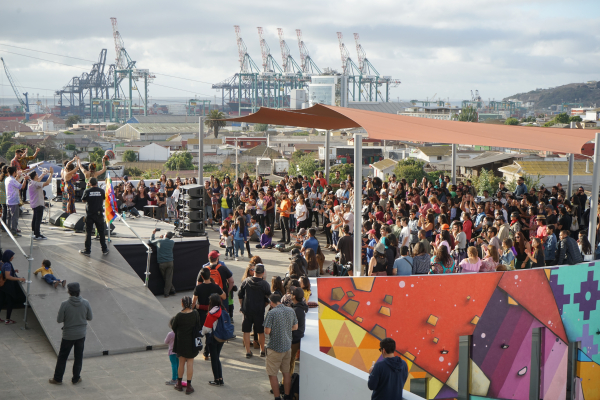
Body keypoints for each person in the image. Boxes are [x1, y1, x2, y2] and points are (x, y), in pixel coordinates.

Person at [49, 282, 93, 385]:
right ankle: (76, 378)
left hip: (68, 335)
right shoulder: (86, 303)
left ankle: (58, 379)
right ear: (79, 291)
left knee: (62, 357)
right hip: (81, 334)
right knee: (78, 356)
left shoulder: (65, 304)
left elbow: (59, 320)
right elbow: (90, 317)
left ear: (69, 292)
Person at [263, 293, 298, 400]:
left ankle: (277, 397)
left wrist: (277, 329)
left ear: (271, 302)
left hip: (274, 348)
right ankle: (287, 396)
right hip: (287, 347)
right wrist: (285, 329)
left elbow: (267, 331)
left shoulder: (272, 313)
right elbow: (295, 327)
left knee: (272, 374)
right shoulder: (291, 310)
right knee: (286, 373)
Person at [238, 263, 271, 358]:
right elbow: (269, 298)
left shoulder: (246, 281)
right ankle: (262, 350)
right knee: (260, 331)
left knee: (246, 331)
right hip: (259, 311)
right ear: (263, 273)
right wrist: (264, 305)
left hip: (247, 311)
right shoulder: (265, 284)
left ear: (254, 272)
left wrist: (242, 306)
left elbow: (240, 295)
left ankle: (248, 352)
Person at [172, 296, 200, 394]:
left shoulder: (179, 315)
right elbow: (198, 326)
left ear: (182, 303)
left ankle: (179, 383)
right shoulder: (195, 314)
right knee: (190, 364)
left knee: (181, 363)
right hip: (192, 343)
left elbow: (174, 327)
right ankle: (188, 386)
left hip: (181, 342)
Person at [202, 293, 227, 386]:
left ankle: (216, 379)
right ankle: (220, 379)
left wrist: (200, 333)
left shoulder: (211, 313)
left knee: (214, 358)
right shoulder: (223, 310)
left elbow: (206, 328)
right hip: (222, 337)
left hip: (213, 338)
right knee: (217, 357)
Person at [78, 178, 108, 256]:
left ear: (90, 183)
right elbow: (104, 199)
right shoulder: (101, 191)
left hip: (90, 214)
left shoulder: (87, 191)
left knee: (88, 232)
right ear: (97, 183)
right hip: (99, 214)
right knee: (101, 232)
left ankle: (87, 250)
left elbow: (83, 200)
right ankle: (104, 249)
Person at [0, 250, 26, 324]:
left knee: (1, 301)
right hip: (8, 286)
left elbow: (3, 271)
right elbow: (8, 277)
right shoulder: (8, 264)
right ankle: (8, 320)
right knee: (10, 302)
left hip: (1, 285)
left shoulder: (1, 262)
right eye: (12, 256)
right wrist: (19, 278)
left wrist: (13, 271)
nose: (13, 257)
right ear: (8, 257)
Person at [150, 228, 176, 298]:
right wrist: (164, 237)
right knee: (168, 278)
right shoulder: (172, 242)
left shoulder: (159, 241)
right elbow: (167, 241)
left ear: (165, 235)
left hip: (162, 263)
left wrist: (153, 233)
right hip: (170, 262)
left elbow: (151, 241)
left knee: (166, 278)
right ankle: (172, 289)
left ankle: (166, 293)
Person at [28, 168, 53, 240]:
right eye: (37, 175)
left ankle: (34, 233)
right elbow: (47, 183)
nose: (38, 176)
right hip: (38, 203)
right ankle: (37, 234)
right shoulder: (35, 183)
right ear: (35, 176)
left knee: (35, 218)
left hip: (34, 203)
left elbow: (38, 180)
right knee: (38, 219)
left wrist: (43, 174)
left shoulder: (32, 182)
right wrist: (51, 174)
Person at [5, 166, 29, 236]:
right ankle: (14, 232)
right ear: (14, 172)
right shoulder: (12, 180)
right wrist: (25, 179)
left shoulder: (8, 179)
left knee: (9, 217)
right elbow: (22, 187)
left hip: (9, 200)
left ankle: (9, 231)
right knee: (14, 217)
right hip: (14, 201)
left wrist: (18, 176)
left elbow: (15, 182)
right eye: (16, 171)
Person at [289, 287, 307, 376]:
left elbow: (292, 326)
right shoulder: (301, 307)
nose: (290, 295)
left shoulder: (296, 310)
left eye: (291, 294)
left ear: (294, 296)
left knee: (289, 362)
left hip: (294, 338)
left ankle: (286, 384)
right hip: (298, 336)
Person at [164, 316, 178, 386]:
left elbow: (166, 342)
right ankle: (179, 378)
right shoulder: (180, 333)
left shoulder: (170, 334)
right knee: (178, 364)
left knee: (174, 365)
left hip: (172, 352)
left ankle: (174, 379)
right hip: (179, 351)